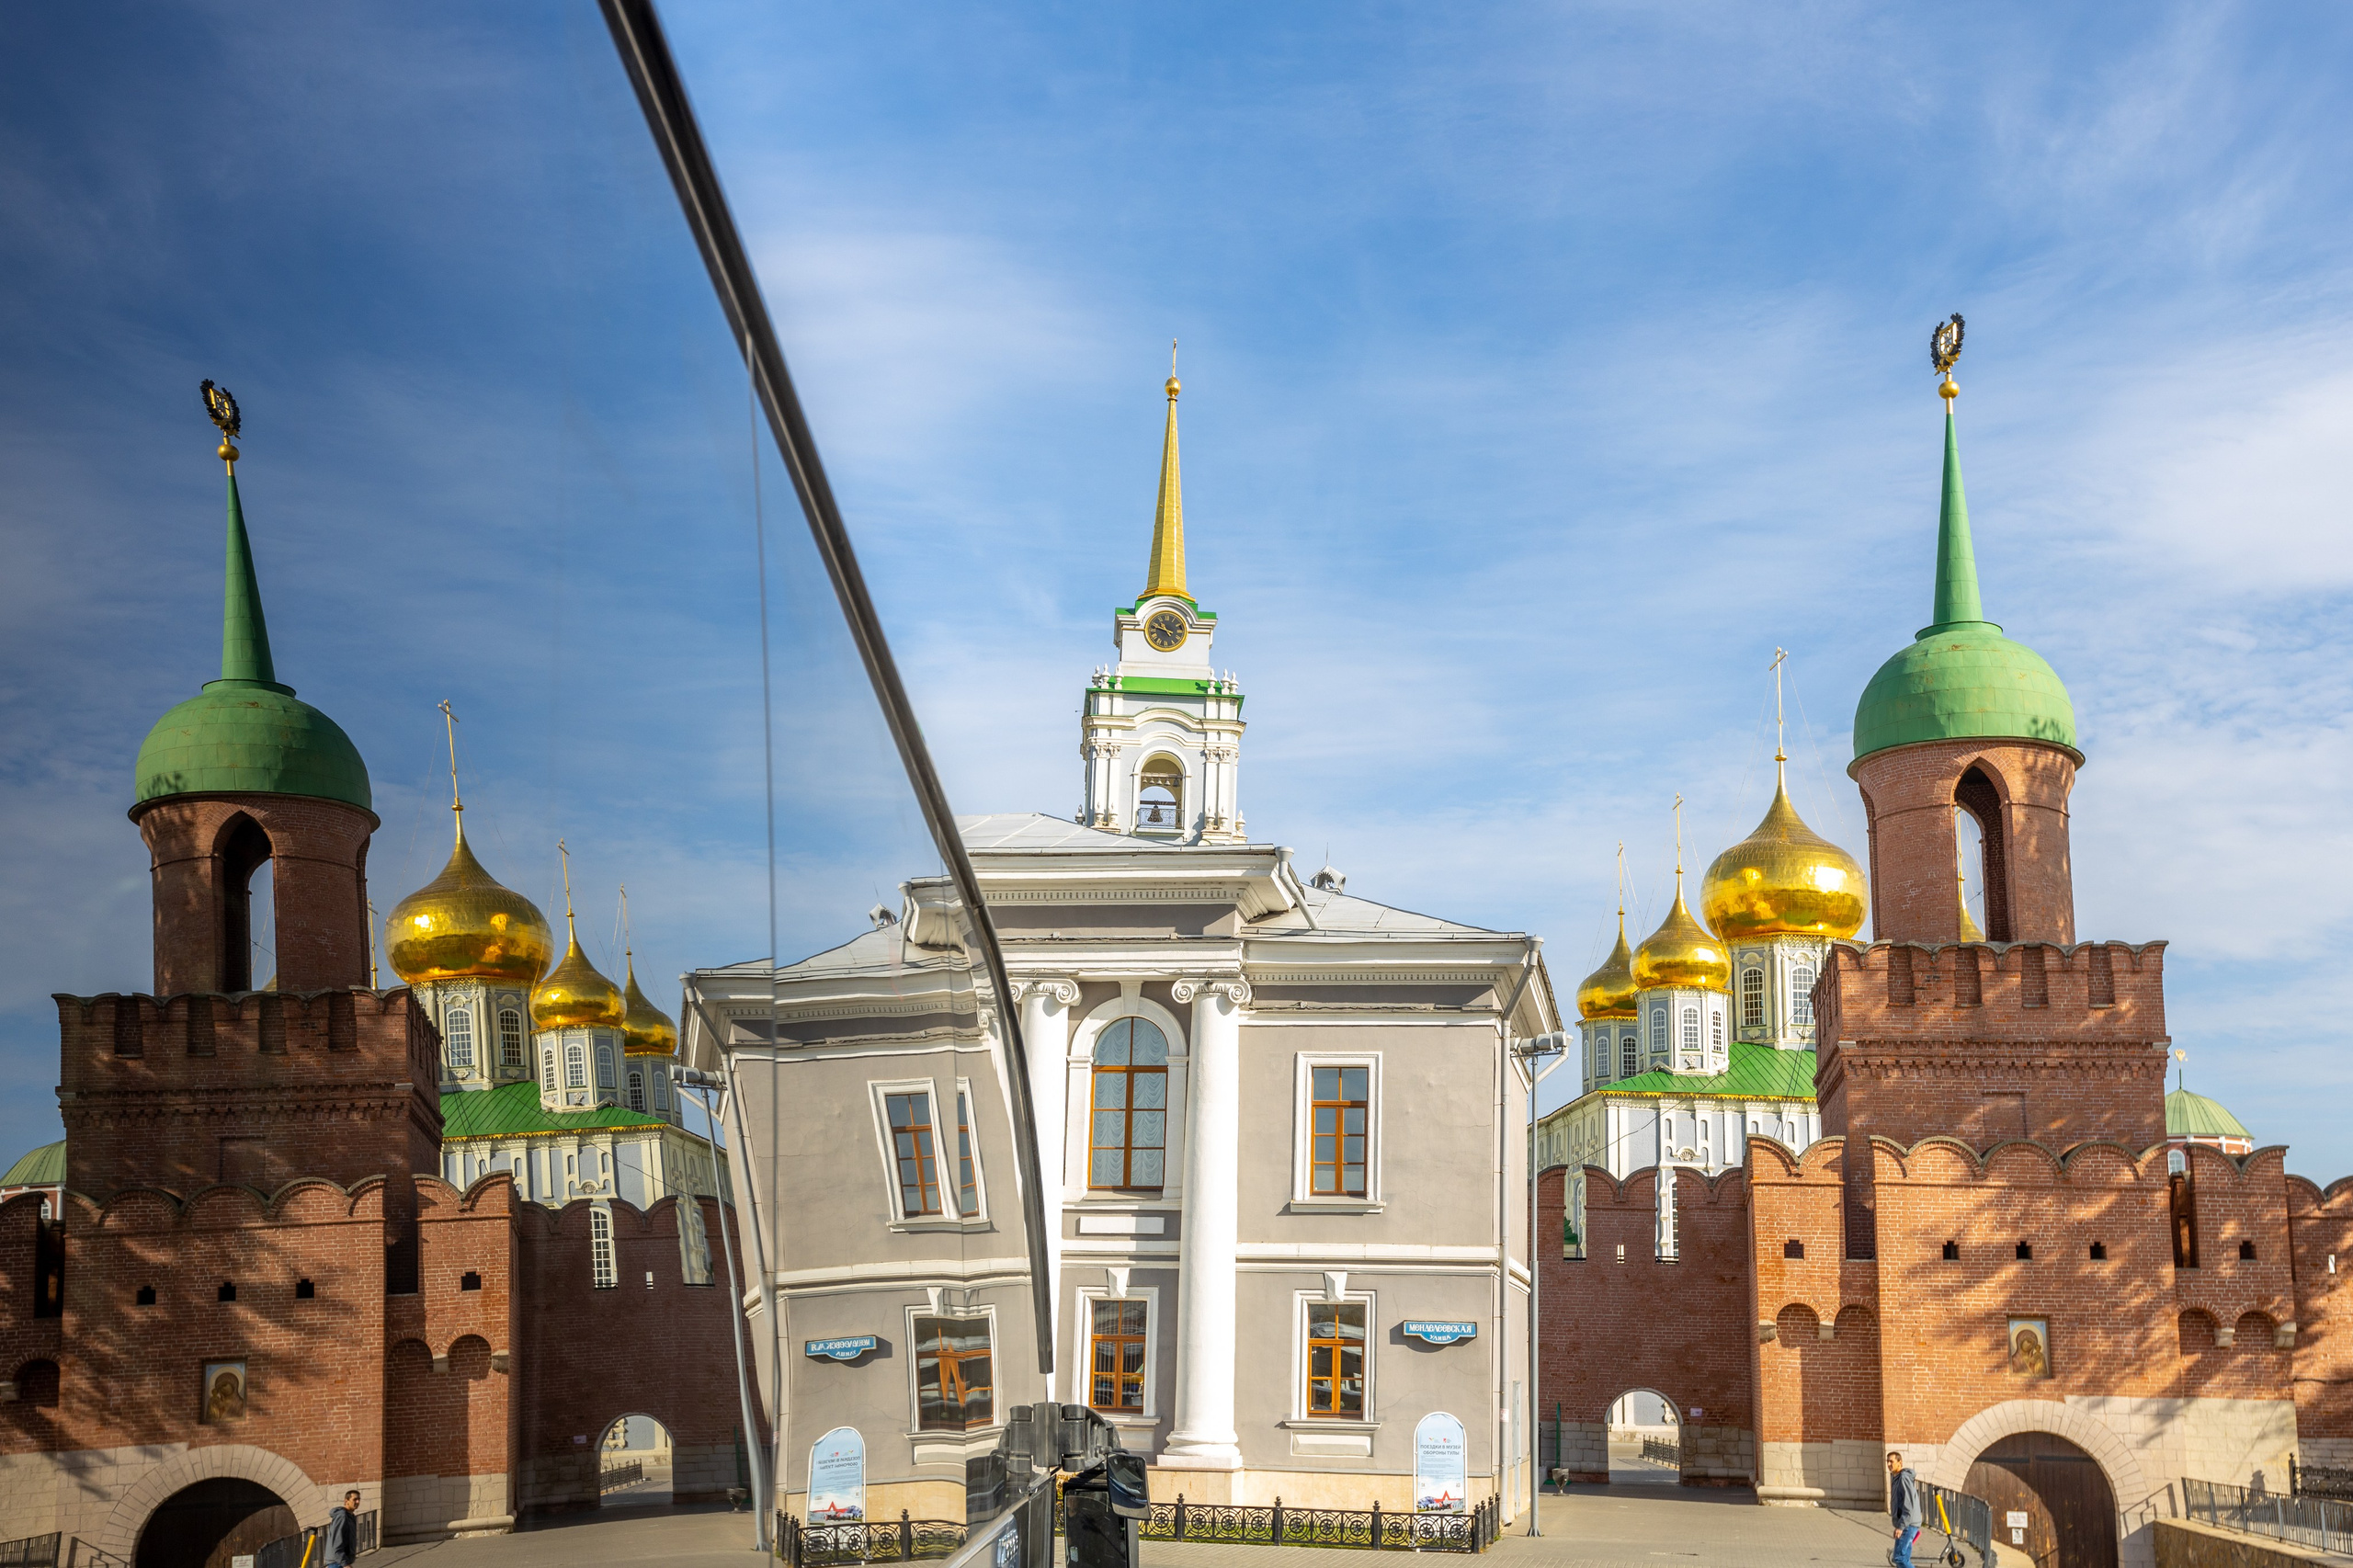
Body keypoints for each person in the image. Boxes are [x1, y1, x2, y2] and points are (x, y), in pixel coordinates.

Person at [1886, 1451, 1922, 1568]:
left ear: (1899, 1462)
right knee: (1903, 1558)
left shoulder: (1903, 1478)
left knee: (1899, 1558)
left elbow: (1909, 1504)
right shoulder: (1896, 1477)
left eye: (1892, 1461)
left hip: (1908, 1524)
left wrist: (1901, 1526)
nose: (1889, 1464)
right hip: (1906, 1523)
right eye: (1888, 1461)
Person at [323, 1489, 361, 1567]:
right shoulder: (342, 1516)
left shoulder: (351, 1516)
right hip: (337, 1562)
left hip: (342, 1560)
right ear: (346, 1501)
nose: (357, 1502)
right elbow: (337, 1540)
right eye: (355, 1499)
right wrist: (344, 1564)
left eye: (359, 1499)